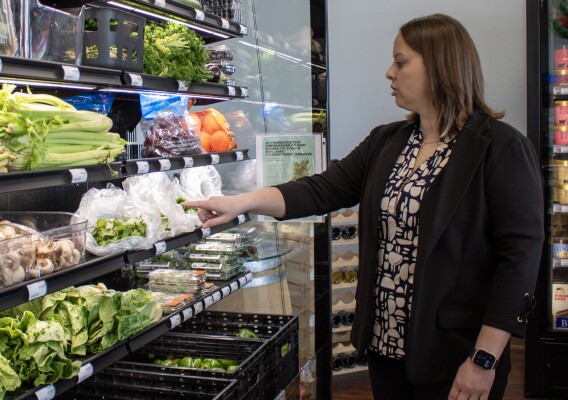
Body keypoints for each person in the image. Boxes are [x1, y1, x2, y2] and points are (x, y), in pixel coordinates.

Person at [184, 14, 543, 400]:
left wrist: (484, 359)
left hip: (456, 355)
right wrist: (239, 203)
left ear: (440, 65)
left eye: (401, 62)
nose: (390, 72)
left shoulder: (500, 148)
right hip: (386, 347)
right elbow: (319, 190)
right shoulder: (388, 141)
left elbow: (519, 258)